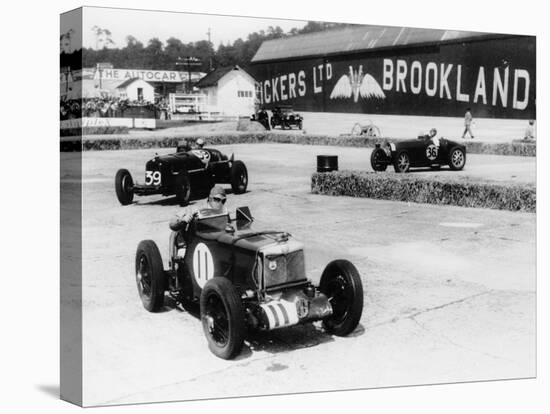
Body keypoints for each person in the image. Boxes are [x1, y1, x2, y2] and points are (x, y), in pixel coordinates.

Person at [169, 186, 228, 259]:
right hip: (192, 246)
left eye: (223, 201)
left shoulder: (224, 212)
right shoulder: (195, 209)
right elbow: (172, 224)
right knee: (183, 254)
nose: (220, 203)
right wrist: (183, 220)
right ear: (210, 199)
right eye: (217, 199)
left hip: (216, 245)